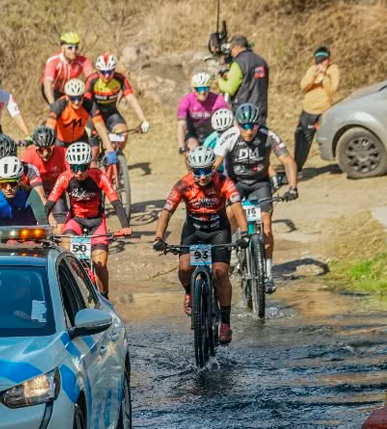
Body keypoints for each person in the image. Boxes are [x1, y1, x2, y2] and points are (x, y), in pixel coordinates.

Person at [152, 147, 249, 344]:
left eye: (206, 170)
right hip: (194, 232)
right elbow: (166, 211)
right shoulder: (183, 184)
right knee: (185, 267)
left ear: (213, 168)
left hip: (218, 231)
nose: (202, 176)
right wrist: (159, 237)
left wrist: (245, 233)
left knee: (220, 273)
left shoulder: (224, 181)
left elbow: (236, 206)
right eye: (197, 171)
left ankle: (225, 323)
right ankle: (189, 292)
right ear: (191, 169)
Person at [212, 103, 299, 294]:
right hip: (236, 183)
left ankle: (267, 274)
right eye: (244, 126)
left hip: (260, 184)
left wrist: (293, 187)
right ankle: (231, 254)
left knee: (266, 226)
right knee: (229, 218)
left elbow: (287, 160)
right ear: (237, 124)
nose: (249, 131)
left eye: (253, 126)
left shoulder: (269, 135)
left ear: (259, 124)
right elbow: (214, 164)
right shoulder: (229, 135)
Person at [44, 142, 132, 298]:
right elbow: (49, 203)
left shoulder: (99, 176)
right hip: (76, 220)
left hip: (97, 222)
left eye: (82, 168)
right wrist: (41, 224)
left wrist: (125, 226)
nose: (78, 173)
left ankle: (105, 295)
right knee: (67, 257)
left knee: (101, 265)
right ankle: (69, 292)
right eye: (74, 168)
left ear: (89, 165)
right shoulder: (65, 177)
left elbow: (116, 203)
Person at [86, 53, 150, 142]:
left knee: (122, 136)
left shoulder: (120, 79)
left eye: (109, 72)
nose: (107, 76)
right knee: (94, 150)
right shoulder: (92, 80)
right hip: (94, 115)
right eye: (103, 72)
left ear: (114, 70)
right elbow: (85, 103)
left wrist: (144, 120)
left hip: (111, 113)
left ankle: (116, 154)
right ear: (98, 71)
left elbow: (131, 99)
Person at [0, 157, 49, 227]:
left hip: (28, 240)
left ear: (20, 181)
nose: (8, 188)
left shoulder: (30, 192)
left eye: (12, 183)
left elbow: (42, 218)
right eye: (3, 184)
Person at [295, 46, 339, 171]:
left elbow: (331, 91)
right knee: (301, 138)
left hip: (322, 111)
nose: (322, 62)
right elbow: (303, 87)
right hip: (308, 110)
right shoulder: (312, 70)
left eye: (324, 59)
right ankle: (296, 166)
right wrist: (314, 75)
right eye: (319, 60)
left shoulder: (333, 70)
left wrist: (324, 76)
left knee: (327, 138)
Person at [46, 78, 115, 152]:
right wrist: (48, 148)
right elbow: (49, 128)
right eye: (72, 98)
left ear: (83, 96)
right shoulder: (59, 105)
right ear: (67, 97)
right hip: (61, 141)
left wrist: (110, 150)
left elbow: (100, 127)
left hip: (80, 139)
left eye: (79, 98)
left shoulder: (89, 104)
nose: (76, 102)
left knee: (91, 160)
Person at [19, 125, 69, 228]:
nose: (45, 154)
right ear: (35, 147)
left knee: (60, 226)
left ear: (54, 146)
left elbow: (73, 178)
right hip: (35, 193)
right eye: (41, 150)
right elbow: (21, 185)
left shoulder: (63, 153)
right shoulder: (28, 156)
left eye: (49, 149)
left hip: (56, 192)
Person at [217, 35, 269, 122]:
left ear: (237, 47)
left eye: (231, 49)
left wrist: (219, 80)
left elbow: (230, 88)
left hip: (244, 112)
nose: (231, 53)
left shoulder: (238, 63)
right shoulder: (261, 61)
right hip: (260, 109)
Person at [177, 72, 228, 153]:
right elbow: (181, 125)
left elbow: (228, 120)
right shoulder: (186, 100)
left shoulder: (217, 99)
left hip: (212, 134)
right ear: (193, 89)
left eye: (205, 89)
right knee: (193, 148)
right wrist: (181, 146)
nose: (202, 92)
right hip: (193, 134)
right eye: (199, 89)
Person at [41, 32, 94, 104]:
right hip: (52, 89)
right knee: (59, 110)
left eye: (76, 47)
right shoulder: (53, 61)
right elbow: (48, 83)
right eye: (70, 48)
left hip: (68, 91)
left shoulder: (83, 61)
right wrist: (52, 104)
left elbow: (92, 78)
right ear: (62, 49)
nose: (74, 51)